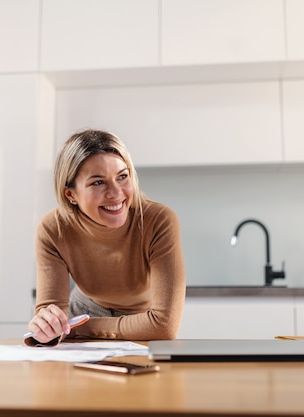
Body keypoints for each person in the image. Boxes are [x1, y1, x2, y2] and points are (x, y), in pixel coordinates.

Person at [26, 129, 186, 345]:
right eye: (98, 182)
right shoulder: (53, 228)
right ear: (71, 195)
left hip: (141, 322)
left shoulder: (158, 220)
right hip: (82, 311)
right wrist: (47, 324)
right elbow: (50, 311)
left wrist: (79, 328)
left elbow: (164, 326)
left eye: (122, 176)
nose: (116, 193)